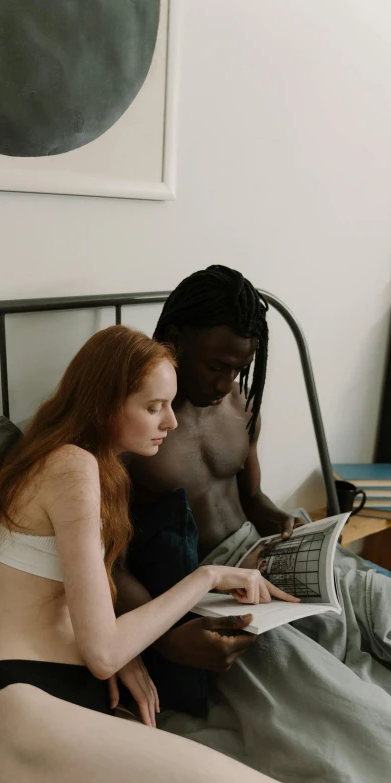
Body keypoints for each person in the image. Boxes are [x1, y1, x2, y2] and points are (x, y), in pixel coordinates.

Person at [0, 325, 295, 783]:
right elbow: (104, 653)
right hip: (26, 697)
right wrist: (206, 578)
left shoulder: (85, 467)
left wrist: (118, 649)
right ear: (105, 403)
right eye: (154, 407)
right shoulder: (72, 467)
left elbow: (80, 617)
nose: (170, 422)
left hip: (58, 691)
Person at [115, 267, 391, 783]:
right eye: (216, 366)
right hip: (206, 587)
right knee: (344, 712)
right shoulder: (130, 425)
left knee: (380, 604)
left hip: (271, 555)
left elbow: (253, 499)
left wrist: (285, 523)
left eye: (239, 368)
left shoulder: (240, 402)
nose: (226, 384)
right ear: (174, 340)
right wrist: (169, 639)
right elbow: (110, 565)